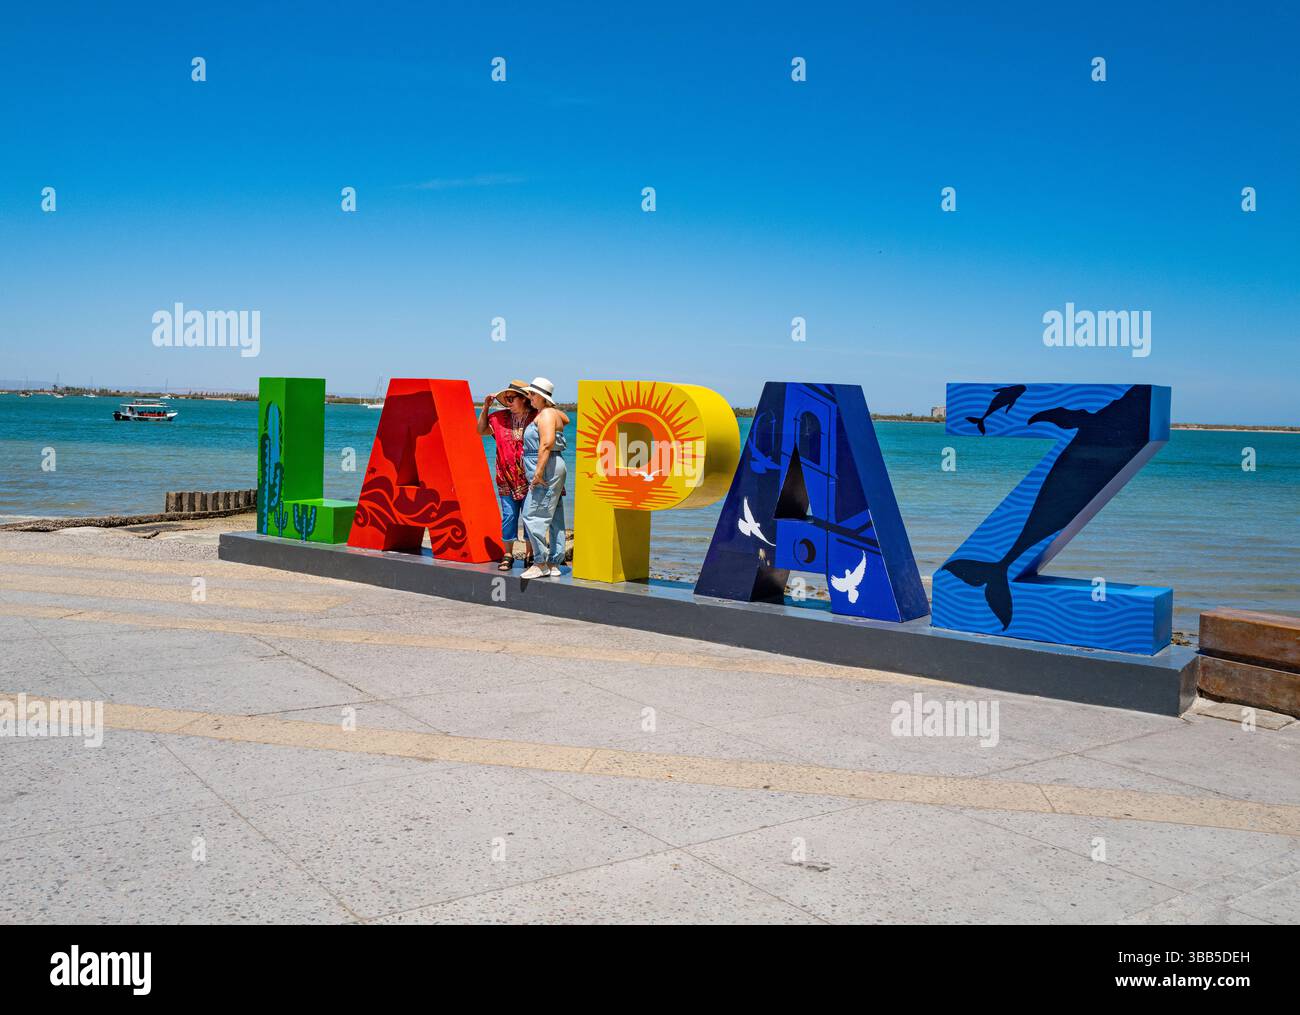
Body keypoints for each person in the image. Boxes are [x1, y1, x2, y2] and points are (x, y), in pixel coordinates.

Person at [476, 379, 538, 570]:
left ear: (524, 399)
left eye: (512, 398)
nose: (508, 402)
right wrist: (485, 408)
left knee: (529, 516)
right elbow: (480, 430)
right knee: (509, 516)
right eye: (507, 399)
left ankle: (530, 555)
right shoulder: (499, 418)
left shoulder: (537, 417)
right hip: (505, 478)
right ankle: (508, 554)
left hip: (530, 477)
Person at [519, 377, 569, 579]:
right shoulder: (550, 413)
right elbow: (565, 419)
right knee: (554, 515)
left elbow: (546, 444)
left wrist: (538, 473)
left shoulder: (546, 414)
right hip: (552, 465)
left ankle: (540, 563)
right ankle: (553, 562)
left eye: (530, 394)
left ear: (539, 395)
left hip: (546, 467)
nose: (528, 397)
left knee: (532, 515)